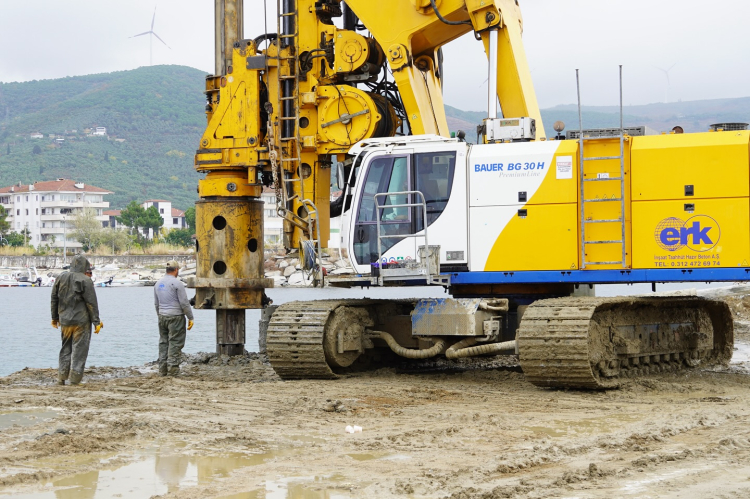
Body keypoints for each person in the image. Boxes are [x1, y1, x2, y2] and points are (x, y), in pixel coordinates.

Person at [51, 255, 103, 385]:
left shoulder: (60, 277)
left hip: (64, 320)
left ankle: (61, 377)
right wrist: (96, 322)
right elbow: (91, 303)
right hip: (81, 321)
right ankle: (75, 379)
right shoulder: (86, 280)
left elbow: (54, 298)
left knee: (65, 348)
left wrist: (54, 317)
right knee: (80, 350)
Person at [154, 260, 194, 376]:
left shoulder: (157, 284)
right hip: (176, 317)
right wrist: (190, 317)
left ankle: (162, 370)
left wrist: (160, 316)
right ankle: (173, 371)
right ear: (176, 270)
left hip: (162, 316)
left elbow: (156, 304)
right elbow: (184, 303)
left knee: (163, 342)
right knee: (175, 343)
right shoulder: (177, 284)